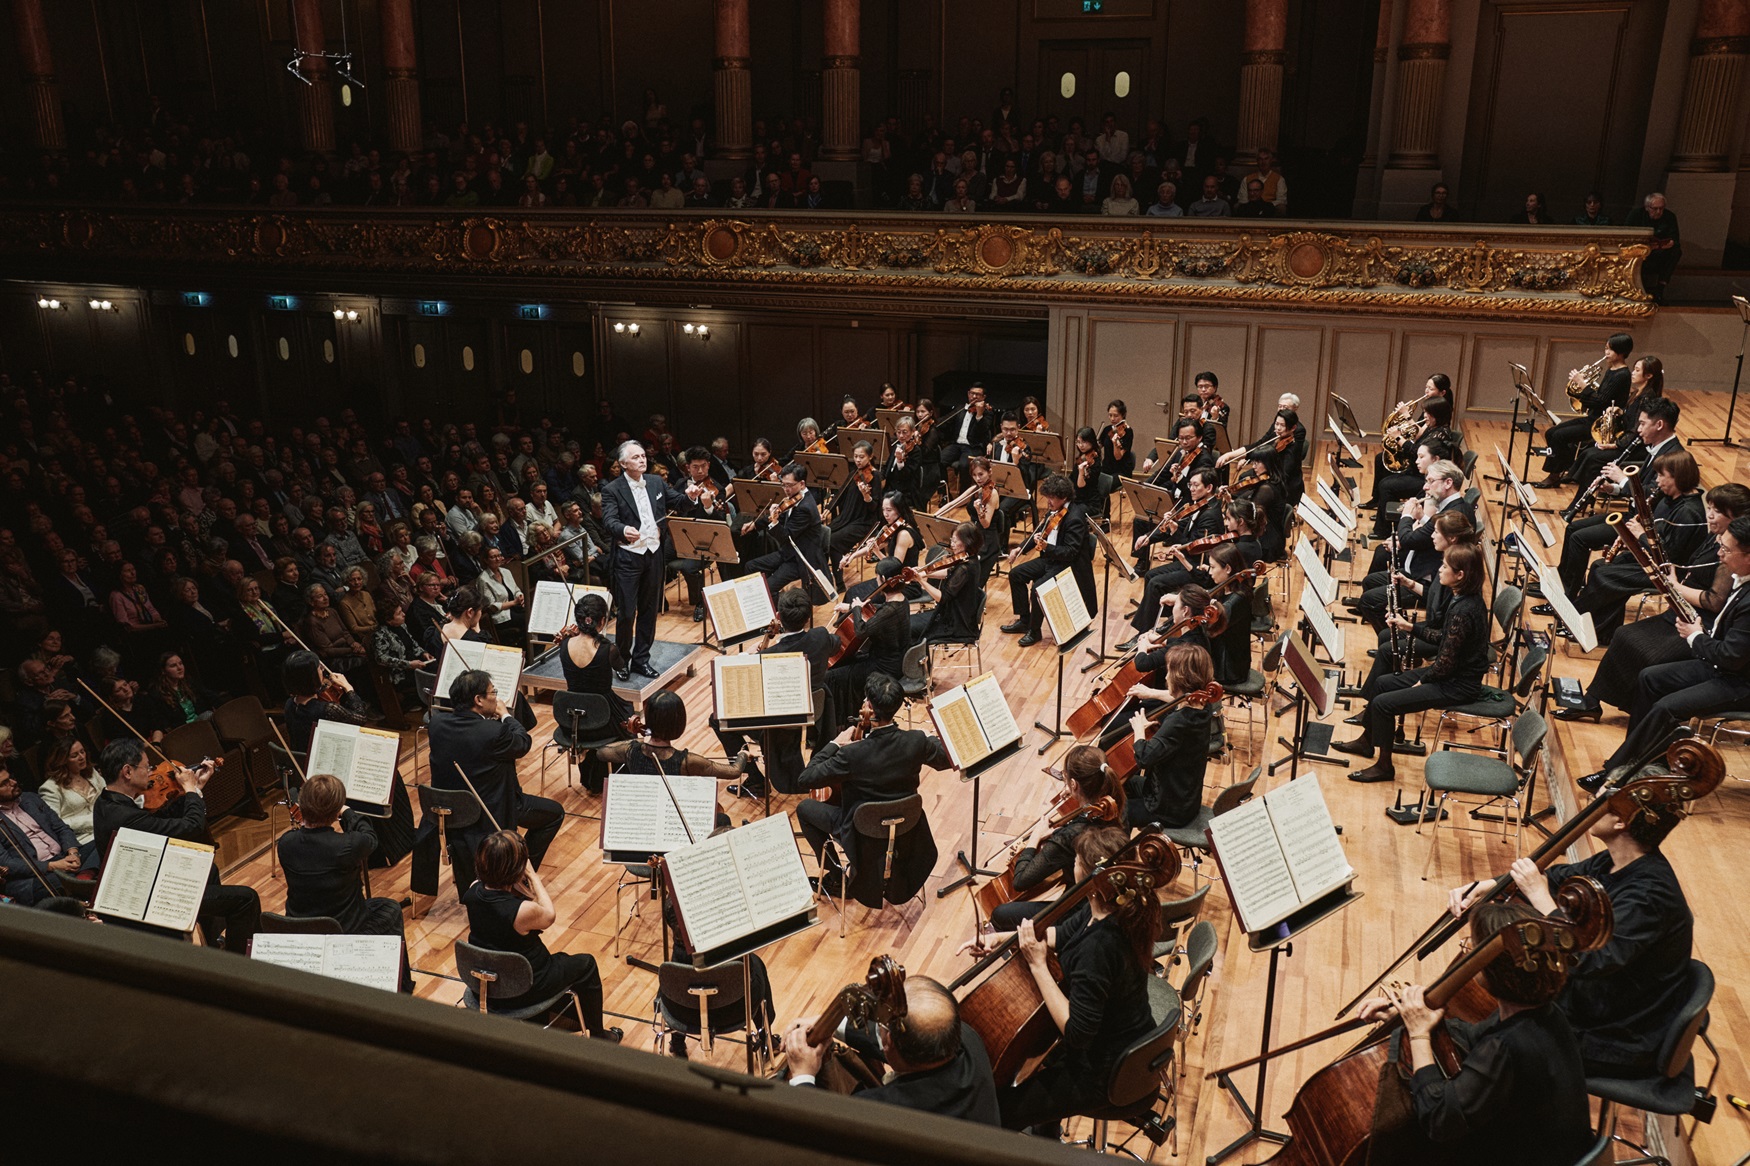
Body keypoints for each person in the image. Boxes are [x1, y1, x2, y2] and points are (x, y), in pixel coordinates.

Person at [1449, 791, 1692, 1079]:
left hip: (1615, 1033)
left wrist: (1540, 897)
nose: (1589, 806)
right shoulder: (1613, 862)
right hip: (1595, 1002)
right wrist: (1488, 886)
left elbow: (1590, 959)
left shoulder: (1650, 895)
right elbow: (1555, 879)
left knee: (1489, 1031)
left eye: (1600, 803)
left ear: (1620, 823)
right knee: (1486, 1010)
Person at [1354, 902, 1592, 1165]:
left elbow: (1439, 1118)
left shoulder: (1506, 1047)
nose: (1467, 957)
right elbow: (1474, 1035)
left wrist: (1419, 1036)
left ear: (1494, 969)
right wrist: (1406, 1015)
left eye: (1472, 948)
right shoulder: (1543, 1012)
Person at [983, 826, 1159, 1134]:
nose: (1072, 864)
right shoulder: (1106, 908)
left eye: (1077, 859)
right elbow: (1060, 934)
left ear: (1093, 875)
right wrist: (999, 941)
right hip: (1129, 1038)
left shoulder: (1100, 947)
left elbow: (1078, 1033)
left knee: (1000, 1113)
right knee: (1039, 1081)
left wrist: (1038, 965)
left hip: (1108, 1069)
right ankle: (1047, 1141)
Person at [1581, 515, 1750, 791]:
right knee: (1649, 677)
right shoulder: (1741, 577)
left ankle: (1617, 775)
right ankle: (1643, 762)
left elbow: (1730, 656)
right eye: (1721, 546)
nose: (1720, 554)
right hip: (1723, 666)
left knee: (1665, 707)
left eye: (1727, 550)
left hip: (1740, 683)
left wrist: (1694, 635)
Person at [1559, 483, 1750, 721]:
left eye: (1718, 511)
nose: (1709, 514)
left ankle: (1639, 710)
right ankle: (1592, 701)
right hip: (1684, 609)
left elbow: (1715, 601)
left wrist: (1675, 586)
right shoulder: (1715, 537)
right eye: (1709, 507)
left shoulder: (1730, 552)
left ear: (1738, 517)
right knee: (1624, 634)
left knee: (1649, 654)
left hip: (1702, 622)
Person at [1335, 543, 1491, 783]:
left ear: (1460, 575)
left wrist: (1421, 681)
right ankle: (1366, 742)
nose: (1440, 570)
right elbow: (1444, 638)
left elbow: (1446, 662)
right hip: (1449, 675)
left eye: (1445, 566)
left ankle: (1384, 766)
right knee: (1382, 684)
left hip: (1457, 685)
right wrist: (1411, 627)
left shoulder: (1464, 609)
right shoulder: (1462, 599)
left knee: (1383, 704)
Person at [94, 739, 261, 949]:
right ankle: (239, 964)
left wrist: (196, 789)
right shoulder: (124, 817)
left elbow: (161, 822)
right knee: (247, 898)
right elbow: (192, 827)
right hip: (148, 897)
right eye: (147, 767)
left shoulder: (105, 802)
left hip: (146, 880)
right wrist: (190, 790)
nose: (152, 772)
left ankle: (213, 945)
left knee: (209, 869)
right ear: (127, 772)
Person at [795, 672, 951, 894]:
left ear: (868, 705)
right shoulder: (915, 741)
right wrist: (929, 738)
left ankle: (836, 876)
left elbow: (805, 779)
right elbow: (947, 758)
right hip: (905, 826)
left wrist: (834, 744)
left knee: (804, 809)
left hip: (861, 832)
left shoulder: (852, 754)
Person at [462, 829, 622, 1040]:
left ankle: (555, 1018)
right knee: (586, 964)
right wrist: (532, 875)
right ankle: (599, 1036)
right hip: (522, 987)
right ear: (514, 869)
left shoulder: (473, 891)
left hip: (484, 983)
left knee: (563, 960)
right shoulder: (522, 912)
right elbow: (549, 914)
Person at [781, 976, 1001, 1124]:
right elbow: (903, 1038)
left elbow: (815, 1135)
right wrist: (827, 1023)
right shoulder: (968, 1039)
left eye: (881, 1025)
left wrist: (802, 1075)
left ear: (889, 1043)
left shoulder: (882, 1112)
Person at [276, 773, 414, 992]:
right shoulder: (346, 847)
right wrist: (347, 812)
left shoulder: (285, 843)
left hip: (299, 925)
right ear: (335, 810)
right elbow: (369, 837)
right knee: (390, 909)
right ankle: (402, 989)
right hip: (343, 929)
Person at [1569, 450, 1707, 643]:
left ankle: (1579, 624)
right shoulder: (1668, 498)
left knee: (1605, 576)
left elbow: (1669, 555)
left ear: (1677, 477)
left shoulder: (1689, 513)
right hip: (1651, 558)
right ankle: (1600, 631)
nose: (1657, 481)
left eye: (1661, 475)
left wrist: (1640, 534)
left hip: (1667, 572)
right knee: (1601, 566)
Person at [429, 669, 560, 869]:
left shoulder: (436, 723)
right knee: (554, 813)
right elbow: (522, 742)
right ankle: (519, 871)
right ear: (478, 700)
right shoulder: (493, 732)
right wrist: (506, 715)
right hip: (493, 808)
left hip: (451, 810)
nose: (496, 697)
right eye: (493, 693)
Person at [989, 744, 1128, 932]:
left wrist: (1033, 840)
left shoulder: (1071, 835)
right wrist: (1076, 796)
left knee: (999, 914)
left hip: (1082, 910)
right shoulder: (1117, 805)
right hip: (1112, 894)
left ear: (1074, 784)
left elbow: (1021, 881)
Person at [712, 586, 835, 799]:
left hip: (780, 718)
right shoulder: (821, 636)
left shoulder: (769, 655)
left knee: (716, 719)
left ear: (778, 616)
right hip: (814, 714)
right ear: (807, 618)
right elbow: (835, 644)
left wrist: (750, 655)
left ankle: (756, 781)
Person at [601, 440, 688, 681]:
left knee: (649, 611)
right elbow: (609, 521)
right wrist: (623, 529)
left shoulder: (656, 482)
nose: (642, 459)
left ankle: (641, 660)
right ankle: (621, 660)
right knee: (627, 613)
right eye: (636, 457)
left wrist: (692, 496)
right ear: (622, 464)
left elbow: (678, 502)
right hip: (629, 557)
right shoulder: (612, 490)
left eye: (643, 455)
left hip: (653, 554)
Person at [1002, 474, 1097, 648]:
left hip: (1068, 565)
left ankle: (1034, 631)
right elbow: (1039, 533)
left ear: (1064, 497)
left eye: (1052, 498)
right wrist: (1020, 548)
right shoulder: (1055, 511)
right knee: (1016, 574)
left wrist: (1046, 547)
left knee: (1038, 588)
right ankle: (1025, 620)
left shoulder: (1074, 518)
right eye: (1047, 497)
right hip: (1051, 559)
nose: (1048, 501)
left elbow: (1070, 552)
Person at [1535, 333, 1633, 487]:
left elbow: (1600, 401)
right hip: (1592, 417)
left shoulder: (1622, 375)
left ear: (1621, 352)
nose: (1606, 353)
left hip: (1601, 425)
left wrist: (1583, 384)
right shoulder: (1612, 370)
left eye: (1610, 350)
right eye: (1605, 349)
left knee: (1559, 436)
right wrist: (1584, 387)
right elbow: (1600, 397)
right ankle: (1569, 469)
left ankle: (1555, 476)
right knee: (1551, 432)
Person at [0, 761, 91, 903]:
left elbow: (61, 827)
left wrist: (73, 853)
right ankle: (82, 881)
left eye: (10, 777)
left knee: (102, 844)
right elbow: (8, 864)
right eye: (4, 783)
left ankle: (81, 880)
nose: (13, 782)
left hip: (64, 857)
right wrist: (52, 866)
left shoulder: (30, 798)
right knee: (57, 881)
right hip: (35, 874)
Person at [742, 463, 831, 602]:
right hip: (788, 552)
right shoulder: (795, 498)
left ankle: (782, 613)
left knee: (769, 588)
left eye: (789, 485)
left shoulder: (805, 507)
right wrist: (755, 524)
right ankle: (760, 605)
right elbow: (782, 515)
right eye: (783, 485)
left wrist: (774, 522)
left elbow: (785, 536)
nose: (786, 489)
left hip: (800, 558)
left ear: (802, 484)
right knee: (751, 566)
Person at [36, 738, 107, 868]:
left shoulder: (91, 773)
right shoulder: (50, 788)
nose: (81, 757)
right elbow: (55, 824)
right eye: (74, 755)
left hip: (106, 827)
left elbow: (107, 796)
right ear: (62, 761)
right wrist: (95, 820)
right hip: (82, 840)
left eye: (82, 752)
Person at [1625, 192, 1680, 303]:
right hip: (1639, 251)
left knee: (1676, 252)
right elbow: (1626, 236)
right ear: (1647, 207)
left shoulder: (1669, 216)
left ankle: (1660, 289)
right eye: (1655, 209)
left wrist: (1665, 245)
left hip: (1660, 251)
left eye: (1661, 208)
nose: (1659, 212)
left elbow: (1675, 239)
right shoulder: (1636, 215)